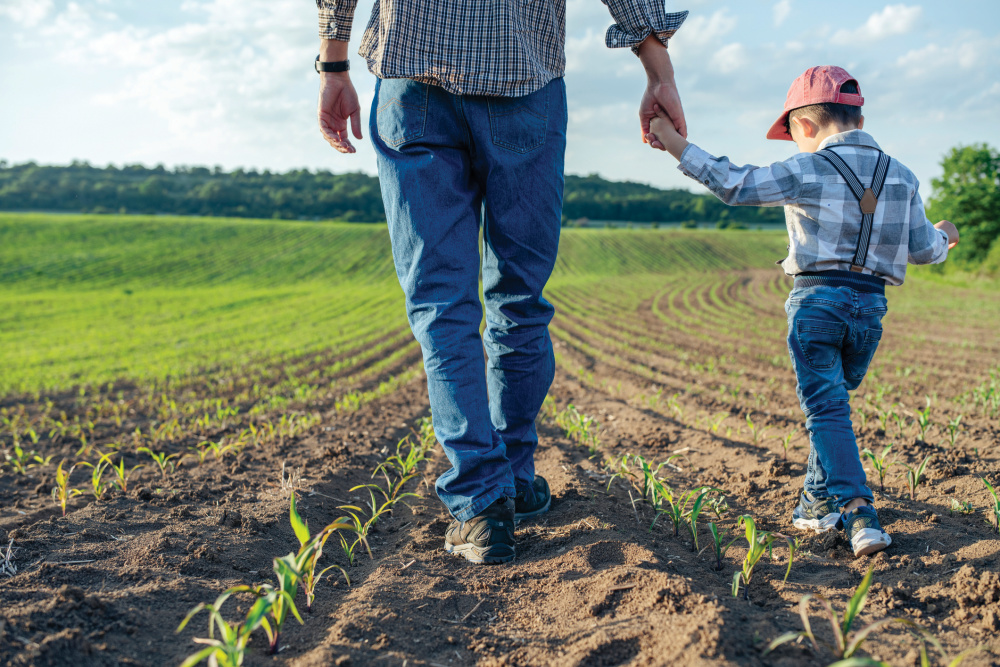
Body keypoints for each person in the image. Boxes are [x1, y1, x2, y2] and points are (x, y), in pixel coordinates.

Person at [315, 1, 690, 564]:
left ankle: (482, 499)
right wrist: (657, 69)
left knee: (442, 303)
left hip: (411, 84)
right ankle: (512, 475)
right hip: (521, 78)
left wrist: (334, 63)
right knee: (518, 296)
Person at [645, 65, 960, 557]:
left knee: (826, 410)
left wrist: (671, 140)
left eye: (791, 134)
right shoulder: (903, 176)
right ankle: (816, 504)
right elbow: (925, 249)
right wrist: (947, 235)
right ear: (857, 116)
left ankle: (859, 513)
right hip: (870, 311)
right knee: (832, 406)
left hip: (817, 304)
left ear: (805, 126)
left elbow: (735, 184)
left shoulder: (808, 167)